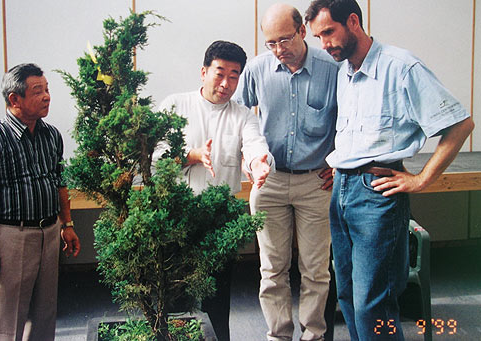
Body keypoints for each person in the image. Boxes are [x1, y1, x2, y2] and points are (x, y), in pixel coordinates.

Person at [306, 1, 475, 340]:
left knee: (373, 303)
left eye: (328, 32)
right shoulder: (345, 72)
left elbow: (460, 124)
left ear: (353, 21)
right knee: (348, 296)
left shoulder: (401, 67)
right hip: (341, 191)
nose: (324, 44)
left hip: (377, 194)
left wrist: (422, 179)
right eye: (317, 37)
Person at [234, 3, 339, 340]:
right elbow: (236, 118)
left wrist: (339, 161)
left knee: (316, 270)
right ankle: (278, 334)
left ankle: (313, 334)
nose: (278, 51)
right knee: (272, 269)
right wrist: (248, 160)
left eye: (285, 40)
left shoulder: (332, 68)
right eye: (271, 43)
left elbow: (350, 121)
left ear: (302, 31)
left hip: (316, 183)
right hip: (270, 181)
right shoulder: (257, 69)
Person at [158, 40, 274, 341]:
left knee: (217, 298)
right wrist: (192, 155)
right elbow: (154, 158)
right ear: (203, 72)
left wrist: (260, 162)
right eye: (219, 73)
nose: (226, 83)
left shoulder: (243, 116)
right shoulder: (175, 105)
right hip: (177, 215)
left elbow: (255, 145)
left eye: (234, 76)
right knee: (176, 297)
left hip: (220, 217)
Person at [0, 63, 81, 341]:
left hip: (50, 234)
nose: (47, 96)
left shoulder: (51, 135)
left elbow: (59, 183)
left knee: (44, 316)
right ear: (14, 99)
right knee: (7, 320)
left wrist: (67, 224)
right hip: (11, 237)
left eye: (47, 89)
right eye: (37, 91)